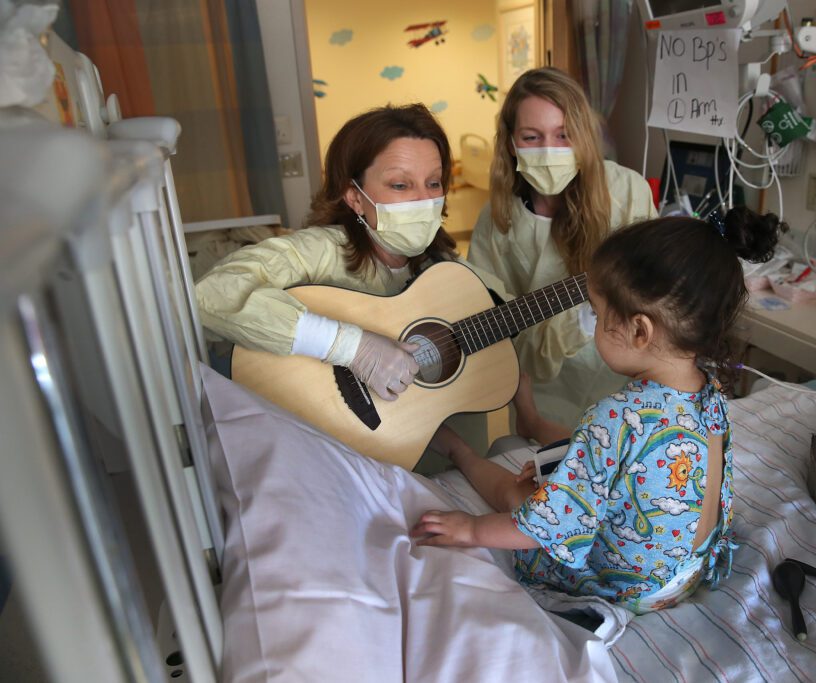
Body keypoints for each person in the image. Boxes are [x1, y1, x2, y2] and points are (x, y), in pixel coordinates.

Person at [414, 207, 786, 613]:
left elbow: (550, 525)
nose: (593, 325)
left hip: (633, 589)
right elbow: (635, 461)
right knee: (589, 455)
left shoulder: (617, 415)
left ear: (639, 330)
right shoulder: (706, 390)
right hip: (689, 570)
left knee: (519, 493)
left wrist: (470, 529)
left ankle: (459, 452)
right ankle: (534, 422)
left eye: (597, 312)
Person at [196, 104, 460, 403]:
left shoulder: (443, 264)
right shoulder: (320, 251)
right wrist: (351, 347)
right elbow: (212, 294)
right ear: (355, 198)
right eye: (401, 184)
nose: (425, 200)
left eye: (434, 182)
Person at [468, 67, 658, 433]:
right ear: (511, 143)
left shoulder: (626, 192)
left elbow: (657, 301)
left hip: (628, 391)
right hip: (542, 397)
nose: (549, 150)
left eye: (563, 135)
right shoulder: (497, 220)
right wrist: (532, 418)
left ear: (584, 137)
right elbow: (498, 334)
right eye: (531, 136)